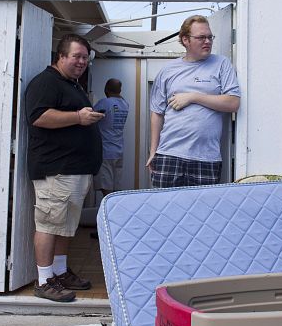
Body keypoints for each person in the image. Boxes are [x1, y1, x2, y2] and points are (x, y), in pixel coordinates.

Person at [25, 34, 103, 302]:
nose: (82, 62)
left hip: (73, 170)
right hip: (56, 170)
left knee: (65, 225)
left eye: (85, 57)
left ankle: (59, 272)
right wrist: (78, 117)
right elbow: (39, 116)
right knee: (49, 223)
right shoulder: (46, 82)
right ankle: (44, 280)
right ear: (60, 56)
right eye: (76, 56)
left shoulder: (72, 84)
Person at [146, 14, 241, 188]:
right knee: (165, 210)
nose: (207, 41)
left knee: (202, 213)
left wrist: (192, 97)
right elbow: (157, 113)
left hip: (206, 158)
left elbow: (233, 102)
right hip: (169, 154)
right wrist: (153, 151)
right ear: (185, 40)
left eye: (209, 37)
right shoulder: (168, 71)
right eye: (201, 37)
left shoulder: (221, 64)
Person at [93, 78, 130, 198]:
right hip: (118, 150)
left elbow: (90, 115)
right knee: (116, 185)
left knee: (106, 185)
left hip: (105, 151)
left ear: (106, 90)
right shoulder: (125, 104)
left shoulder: (104, 103)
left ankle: (109, 211)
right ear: (120, 91)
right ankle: (115, 209)